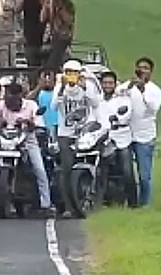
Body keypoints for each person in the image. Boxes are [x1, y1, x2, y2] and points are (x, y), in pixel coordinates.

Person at [0, 82, 54, 214]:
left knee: (39, 169)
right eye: (8, 96)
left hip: (26, 141)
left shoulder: (31, 106)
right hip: (4, 141)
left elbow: (39, 123)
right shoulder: (1, 105)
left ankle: (46, 203)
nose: (10, 100)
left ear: (20, 96)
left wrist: (29, 123)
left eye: (13, 96)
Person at [50, 59, 100, 217]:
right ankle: (68, 207)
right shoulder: (60, 87)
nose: (71, 76)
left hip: (84, 131)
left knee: (93, 163)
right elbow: (53, 107)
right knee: (66, 168)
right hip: (65, 133)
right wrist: (62, 88)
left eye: (74, 72)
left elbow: (95, 102)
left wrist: (84, 87)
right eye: (68, 72)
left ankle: (91, 197)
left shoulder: (88, 86)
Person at [124, 56, 161, 207]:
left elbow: (154, 108)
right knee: (127, 172)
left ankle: (144, 204)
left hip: (145, 137)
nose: (142, 70)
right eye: (140, 67)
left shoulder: (155, 90)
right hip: (127, 135)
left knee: (144, 175)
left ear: (151, 72)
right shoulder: (129, 85)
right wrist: (129, 86)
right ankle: (130, 202)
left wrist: (142, 90)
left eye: (146, 68)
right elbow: (117, 93)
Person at [97, 70, 136, 207]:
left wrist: (118, 118)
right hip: (103, 138)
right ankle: (103, 198)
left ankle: (133, 202)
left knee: (127, 171)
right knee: (100, 168)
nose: (108, 85)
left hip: (121, 137)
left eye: (110, 83)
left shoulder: (122, 98)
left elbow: (126, 113)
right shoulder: (97, 99)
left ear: (115, 84)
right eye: (105, 83)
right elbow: (92, 116)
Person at [40, 0, 75, 71]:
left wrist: (60, 9)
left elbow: (68, 20)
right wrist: (45, 7)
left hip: (63, 39)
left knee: (54, 65)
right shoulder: (50, 5)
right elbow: (42, 19)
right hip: (51, 39)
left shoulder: (68, 5)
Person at [27, 69, 59, 139]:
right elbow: (27, 100)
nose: (47, 81)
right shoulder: (38, 93)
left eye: (50, 79)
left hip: (57, 127)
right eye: (45, 78)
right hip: (42, 127)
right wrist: (39, 86)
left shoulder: (58, 92)